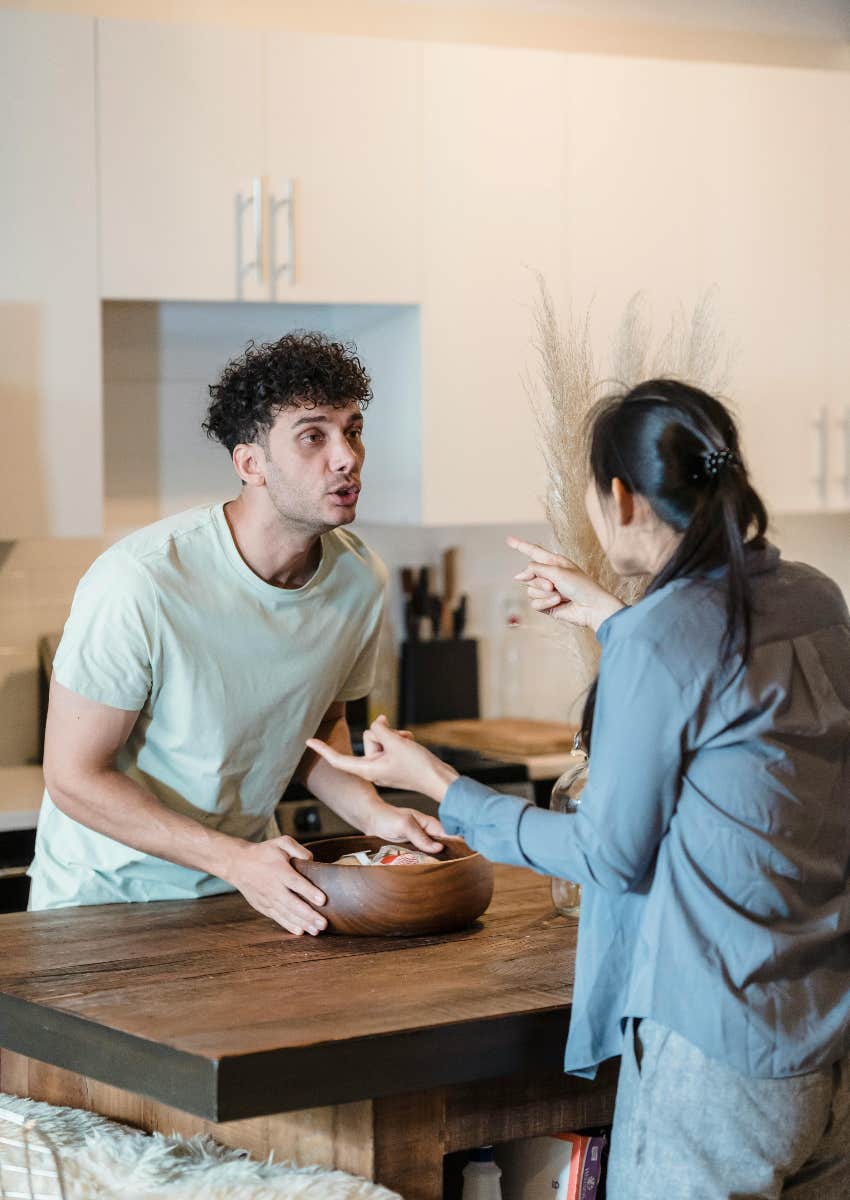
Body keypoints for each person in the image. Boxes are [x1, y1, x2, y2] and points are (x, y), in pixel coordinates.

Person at [307, 378, 850, 1199]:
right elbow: (730, 697)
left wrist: (441, 785)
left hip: (717, 1055)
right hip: (825, 1043)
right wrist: (613, 616)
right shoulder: (812, 596)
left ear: (623, 498)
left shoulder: (663, 637)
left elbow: (608, 855)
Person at [30, 331, 444, 934]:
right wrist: (235, 861)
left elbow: (312, 730)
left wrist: (378, 815)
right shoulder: (141, 581)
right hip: (101, 904)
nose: (347, 457)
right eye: (313, 436)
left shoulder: (360, 580)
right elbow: (73, 778)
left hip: (247, 892)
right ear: (250, 463)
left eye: (352, 429)